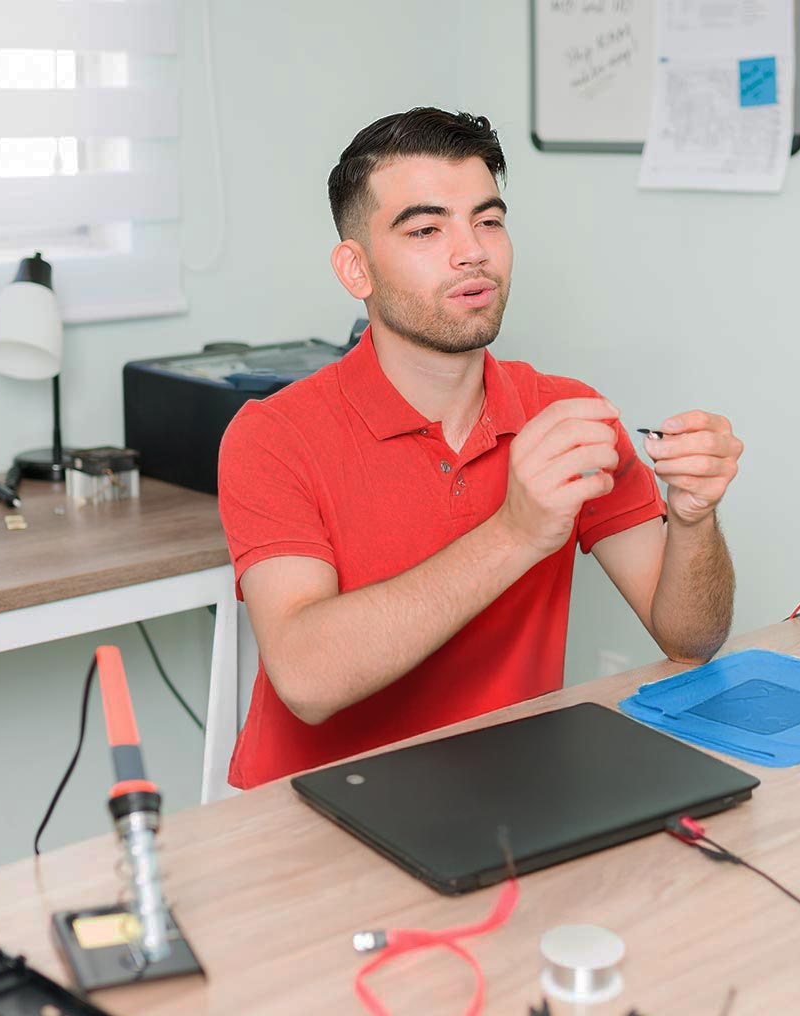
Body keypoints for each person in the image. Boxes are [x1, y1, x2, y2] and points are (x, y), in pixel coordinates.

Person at [217, 108, 743, 789]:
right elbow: (307, 679)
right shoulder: (273, 435)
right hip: (309, 814)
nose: (473, 251)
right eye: (427, 229)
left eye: (489, 221)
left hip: (509, 795)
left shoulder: (563, 414)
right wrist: (518, 533)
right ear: (356, 268)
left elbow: (690, 640)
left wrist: (696, 518)